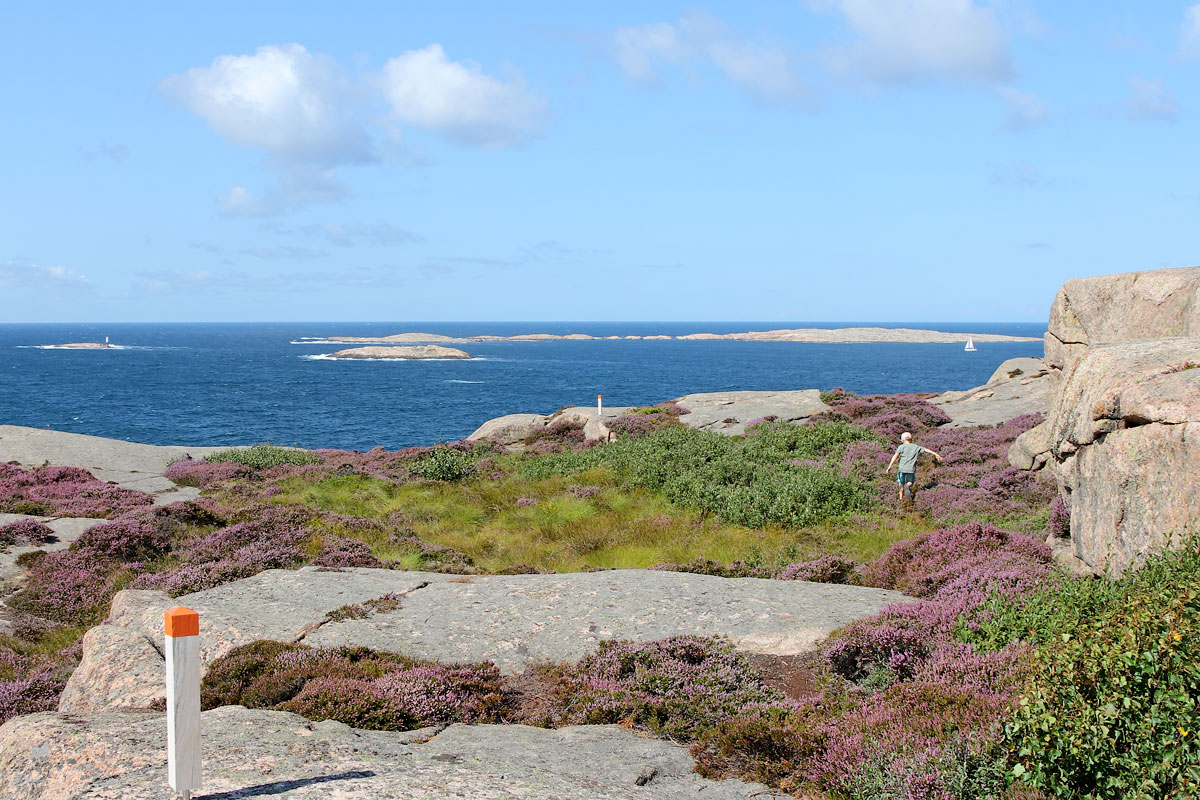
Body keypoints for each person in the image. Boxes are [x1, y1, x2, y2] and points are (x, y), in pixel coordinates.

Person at [884, 432, 943, 505]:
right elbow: (926, 450)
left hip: (902, 469)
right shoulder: (915, 447)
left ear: (902, 440)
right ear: (911, 439)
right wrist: (936, 454)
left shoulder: (901, 447)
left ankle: (901, 498)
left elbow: (895, 456)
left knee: (901, 483)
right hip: (911, 469)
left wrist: (889, 466)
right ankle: (907, 486)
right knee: (910, 481)